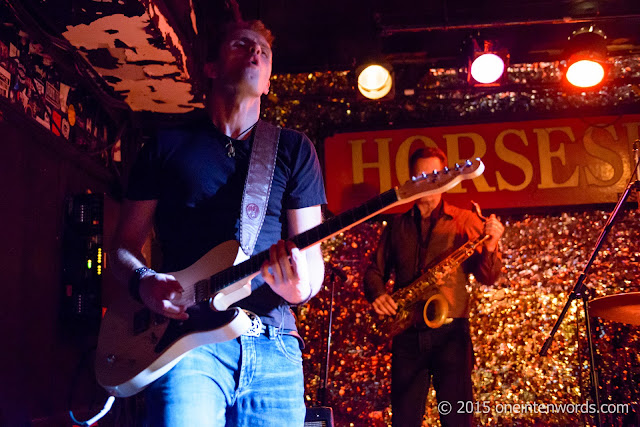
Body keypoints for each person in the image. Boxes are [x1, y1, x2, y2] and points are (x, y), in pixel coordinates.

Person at [109, 19, 326, 426]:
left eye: (264, 50)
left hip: (273, 341)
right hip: (187, 341)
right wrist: (144, 281)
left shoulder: (295, 149)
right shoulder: (164, 146)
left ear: (267, 82)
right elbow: (122, 246)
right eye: (242, 44)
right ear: (210, 68)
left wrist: (300, 287)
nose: (256, 53)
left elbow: (312, 265)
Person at [363, 147, 504, 427]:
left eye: (435, 175)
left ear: (448, 178)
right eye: (422, 175)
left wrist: (491, 245)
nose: (429, 181)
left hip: (451, 336)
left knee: (458, 421)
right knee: (404, 420)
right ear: (412, 179)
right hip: (406, 334)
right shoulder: (396, 225)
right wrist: (378, 294)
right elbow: (374, 272)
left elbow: (489, 277)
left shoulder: (466, 220)